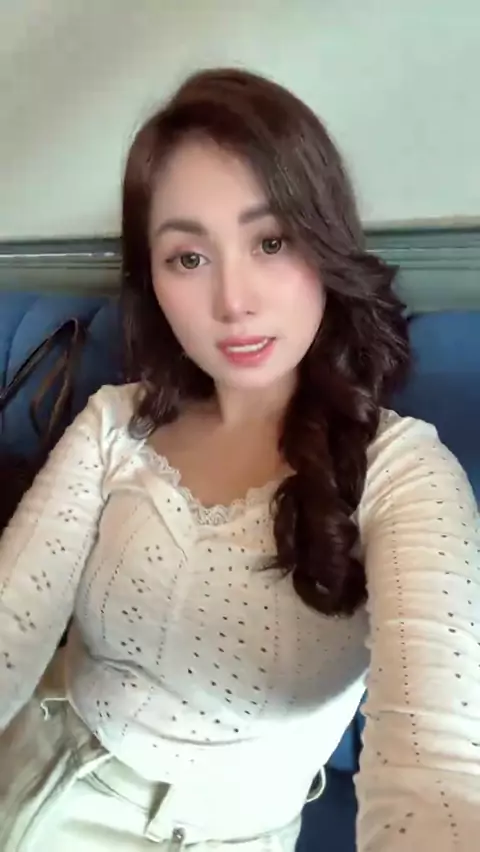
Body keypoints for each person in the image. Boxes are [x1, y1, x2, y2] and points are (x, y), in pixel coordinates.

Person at [0, 67, 479, 852]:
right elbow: (11, 624)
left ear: (325, 243)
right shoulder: (114, 424)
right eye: (188, 258)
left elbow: (436, 770)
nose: (234, 302)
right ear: (153, 280)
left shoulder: (403, 476)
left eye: (271, 242)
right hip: (25, 767)